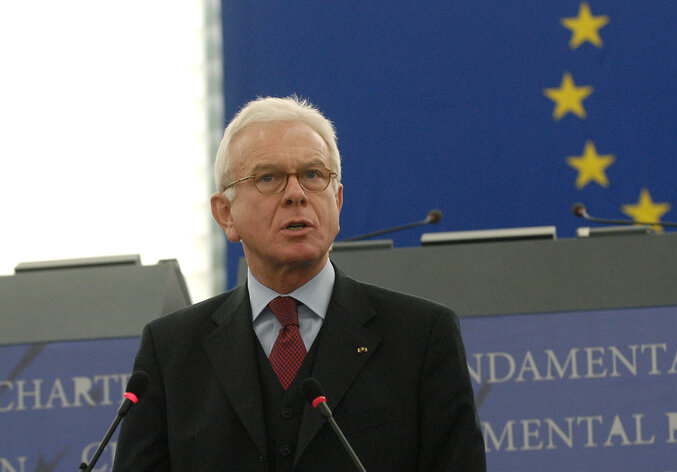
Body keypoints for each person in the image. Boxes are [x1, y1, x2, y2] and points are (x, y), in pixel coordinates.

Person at [113, 95, 486, 471]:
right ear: (226, 215)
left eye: (312, 175)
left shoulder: (421, 337)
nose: (296, 194)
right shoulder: (171, 352)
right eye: (269, 178)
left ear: (337, 202)